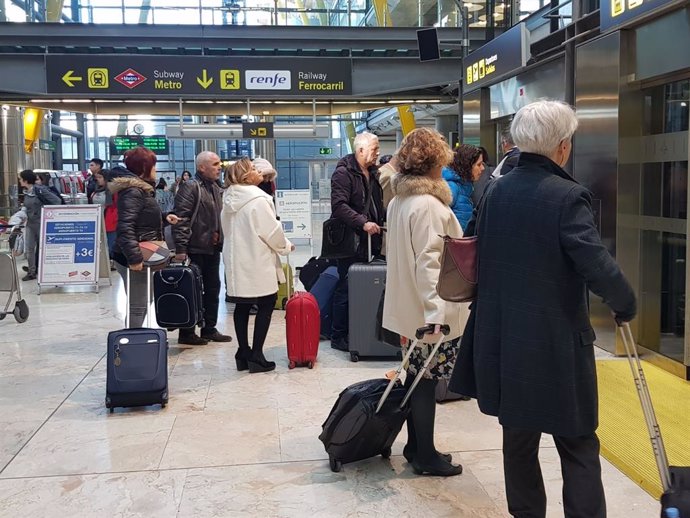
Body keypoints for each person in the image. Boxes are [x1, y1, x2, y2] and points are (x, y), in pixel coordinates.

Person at [451, 100, 637, 518]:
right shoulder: (568, 197)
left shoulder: (495, 191)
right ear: (562, 146)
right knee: (578, 444)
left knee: (518, 441)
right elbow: (596, 264)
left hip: (504, 340)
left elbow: (474, 249)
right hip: (556, 346)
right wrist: (625, 302)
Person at [382, 127, 467, 477]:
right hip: (428, 313)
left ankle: (418, 447)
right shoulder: (429, 206)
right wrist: (437, 313)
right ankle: (425, 455)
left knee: (416, 376)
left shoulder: (400, 201)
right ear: (435, 162)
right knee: (426, 380)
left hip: (408, 308)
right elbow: (430, 261)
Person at [221, 158, 294, 373]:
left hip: (236, 259)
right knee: (266, 302)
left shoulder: (228, 200)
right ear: (245, 176)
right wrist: (286, 246)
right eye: (253, 168)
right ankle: (257, 355)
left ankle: (243, 351)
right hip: (257, 258)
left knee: (242, 304)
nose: (257, 170)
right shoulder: (259, 199)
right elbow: (271, 232)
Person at [109, 147, 179, 328]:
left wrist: (164, 217)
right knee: (138, 305)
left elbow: (141, 217)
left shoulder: (141, 190)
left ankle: (135, 341)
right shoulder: (134, 191)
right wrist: (134, 258)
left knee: (143, 301)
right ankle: (132, 346)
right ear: (143, 169)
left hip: (140, 252)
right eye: (153, 166)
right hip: (134, 256)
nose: (156, 170)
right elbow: (125, 226)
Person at [329, 131, 385, 352]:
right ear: (360, 150)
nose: (378, 153)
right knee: (346, 287)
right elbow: (339, 206)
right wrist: (363, 222)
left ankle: (357, 330)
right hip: (350, 241)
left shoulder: (372, 173)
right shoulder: (344, 173)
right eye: (375, 149)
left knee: (361, 287)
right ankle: (338, 335)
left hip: (370, 240)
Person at [173, 151, 232, 346]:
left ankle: (209, 328)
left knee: (213, 288)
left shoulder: (215, 187)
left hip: (212, 248)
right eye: (215, 164)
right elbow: (180, 219)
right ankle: (187, 331)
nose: (219, 167)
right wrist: (181, 248)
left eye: (219, 164)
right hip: (195, 248)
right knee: (192, 289)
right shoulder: (191, 187)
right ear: (201, 167)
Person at [18, 169, 62, 281]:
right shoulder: (26, 192)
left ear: (26, 180)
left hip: (41, 223)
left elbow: (57, 201)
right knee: (29, 248)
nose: (19, 181)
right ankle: (32, 271)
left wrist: (46, 212)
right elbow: (27, 206)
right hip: (30, 223)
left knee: (43, 247)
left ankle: (46, 270)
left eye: (21, 179)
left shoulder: (40, 190)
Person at [442, 144, 484, 231]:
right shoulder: (452, 187)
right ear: (467, 166)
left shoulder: (465, 186)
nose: (483, 168)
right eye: (479, 165)